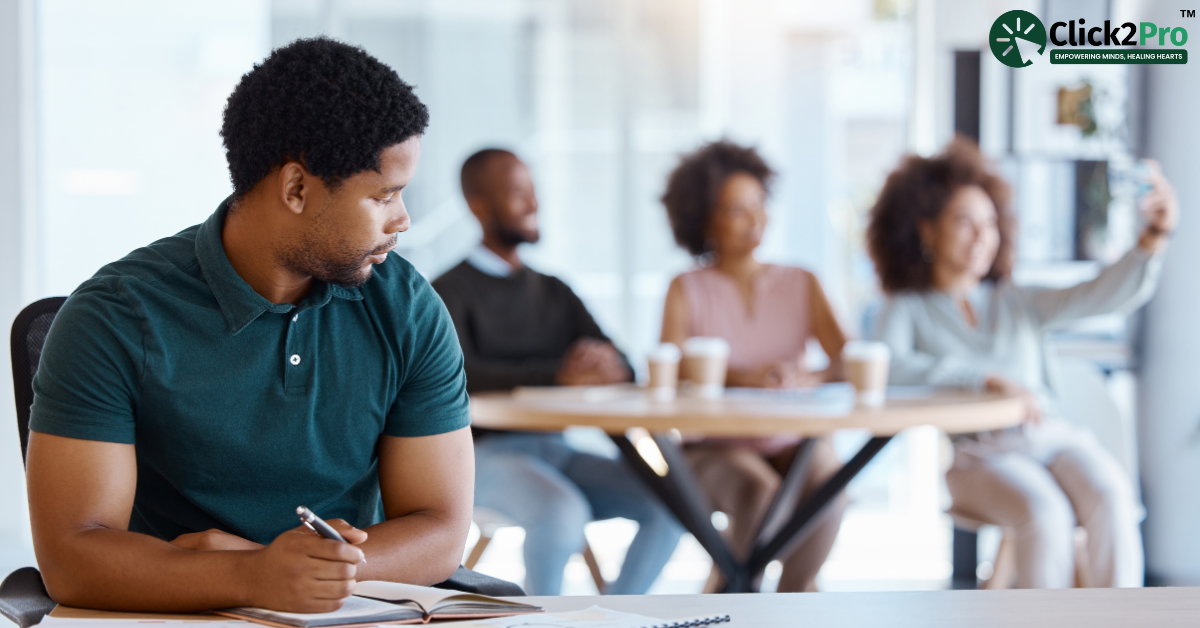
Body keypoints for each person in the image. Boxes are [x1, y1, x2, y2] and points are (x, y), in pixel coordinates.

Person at [25, 38, 474, 613]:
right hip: (175, 618)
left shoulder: (406, 307)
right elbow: (72, 557)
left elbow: (439, 530)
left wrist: (286, 571)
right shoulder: (114, 316)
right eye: (383, 195)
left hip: (349, 617)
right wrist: (254, 576)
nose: (403, 219)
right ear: (296, 188)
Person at [867, 137, 1178, 588]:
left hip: (1049, 436)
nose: (982, 236)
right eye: (964, 222)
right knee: (1044, 513)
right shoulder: (907, 306)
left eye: (990, 223)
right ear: (926, 230)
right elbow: (890, 370)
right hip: (979, 456)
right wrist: (982, 378)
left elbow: (1101, 296)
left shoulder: (1016, 301)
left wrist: (1153, 237)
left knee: (1111, 494)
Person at [432, 148, 683, 596]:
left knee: (672, 503)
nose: (534, 204)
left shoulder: (553, 290)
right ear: (478, 206)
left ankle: (617, 621)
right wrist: (558, 375)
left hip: (558, 450)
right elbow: (458, 375)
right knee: (561, 511)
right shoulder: (448, 290)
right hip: (483, 459)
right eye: (517, 193)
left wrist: (605, 365)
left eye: (534, 191)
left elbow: (621, 363)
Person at [658, 140, 848, 592]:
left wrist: (809, 376)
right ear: (704, 219)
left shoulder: (802, 281)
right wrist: (743, 377)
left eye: (759, 204)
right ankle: (734, 595)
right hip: (715, 446)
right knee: (758, 493)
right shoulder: (686, 288)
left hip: (790, 441)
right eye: (736, 210)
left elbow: (848, 361)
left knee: (831, 485)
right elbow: (672, 368)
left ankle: (791, 599)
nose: (755, 220)